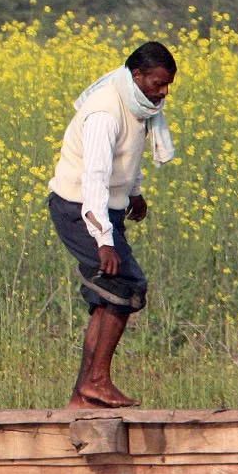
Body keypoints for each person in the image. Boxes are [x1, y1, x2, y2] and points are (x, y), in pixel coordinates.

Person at [49, 42, 178, 409]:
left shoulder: (138, 105)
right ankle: (98, 381)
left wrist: (134, 192)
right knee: (125, 285)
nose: (162, 92)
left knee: (106, 296)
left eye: (167, 85)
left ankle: (83, 395)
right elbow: (94, 178)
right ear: (136, 76)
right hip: (80, 208)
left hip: (105, 207)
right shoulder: (106, 111)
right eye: (157, 83)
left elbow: (129, 155)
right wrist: (104, 240)